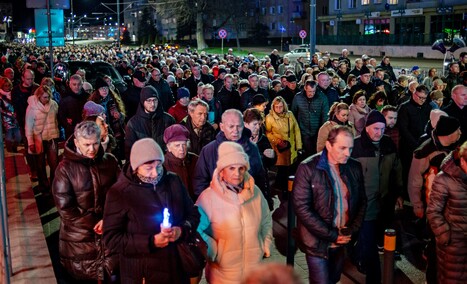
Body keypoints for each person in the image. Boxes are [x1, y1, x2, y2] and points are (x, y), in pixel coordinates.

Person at [103, 138, 200, 283]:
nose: (155, 173)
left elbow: (193, 214)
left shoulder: (173, 181)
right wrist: (151, 241)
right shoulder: (120, 193)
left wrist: (181, 230)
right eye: (149, 168)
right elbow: (112, 238)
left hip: (176, 267)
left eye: (159, 166)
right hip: (142, 273)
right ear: (136, 168)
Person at [292, 125, 367, 284]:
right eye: (342, 148)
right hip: (317, 243)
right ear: (328, 145)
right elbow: (302, 208)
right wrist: (333, 235)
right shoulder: (308, 168)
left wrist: (351, 230)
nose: (348, 153)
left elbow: (361, 202)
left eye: (350, 148)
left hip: (342, 241)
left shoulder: (354, 167)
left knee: (333, 279)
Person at [196, 141, 273, 284]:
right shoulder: (208, 197)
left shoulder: (255, 192)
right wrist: (213, 250)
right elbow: (196, 229)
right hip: (222, 276)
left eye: (241, 168)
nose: (237, 173)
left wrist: (265, 244)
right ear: (222, 170)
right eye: (231, 168)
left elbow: (266, 220)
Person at [52, 121, 120, 282]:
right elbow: (66, 209)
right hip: (79, 240)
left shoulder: (109, 161)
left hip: (109, 233)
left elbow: (121, 193)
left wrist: (109, 219)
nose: (92, 149)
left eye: (96, 143)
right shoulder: (64, 169)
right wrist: (96, 224)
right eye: (87, 144)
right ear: (76, 143)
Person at [351, 110, 403, 283]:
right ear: (366, 128)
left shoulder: (388, 144)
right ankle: (371, 274)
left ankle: (360, 256)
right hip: (364, 203)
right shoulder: (356, 146)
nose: (379, 133)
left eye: (382, 129)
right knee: (368, 239)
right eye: (375, 128)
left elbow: (397, 169)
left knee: (375, 237)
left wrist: (398, 193)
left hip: (385, 201)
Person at [408, 115, 461, 284]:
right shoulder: (425, 151)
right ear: (449, 133)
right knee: (435, 246)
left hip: (453, 207)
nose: (461, 132)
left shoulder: (456, 146)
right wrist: (417, 204)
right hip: (433, 207)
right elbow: (414, 180)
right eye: (457, 130)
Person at [193, 109, 267, 199]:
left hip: (247, 205)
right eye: (231, 126)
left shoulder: (252, 148)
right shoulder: (208, 150)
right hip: (218, 207)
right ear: (222, 127)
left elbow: (260, 178)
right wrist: (209, 205)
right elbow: (200, 182)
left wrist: (261, 201)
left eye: (239, 126)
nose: (235, 130)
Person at [427, 140, 467, 283]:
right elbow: (433, 211)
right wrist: (445, 236)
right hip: (454, 246)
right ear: (462, 160)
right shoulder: (444, 179)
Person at [25, 85, 60, 192]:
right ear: (39, 97)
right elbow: (28, 125)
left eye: (48, 96)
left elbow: (57, 118)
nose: (47, 99)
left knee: (54, 163)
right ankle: (44, 186)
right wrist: (30, 142)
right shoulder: (32, 107)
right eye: (44, 97)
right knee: (40, 165)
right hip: (39, 139)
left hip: (52, 138)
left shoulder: (54, 104)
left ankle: (54, 185)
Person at [124, 85, 175, 158]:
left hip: (165, 163)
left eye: (155, 100)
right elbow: (129, 151)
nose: (152, 104)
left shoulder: (168, 120)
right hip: (144, 164)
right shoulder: (133, 124)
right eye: (149, 100)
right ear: (142, 101)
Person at [265, 96, 302, 191]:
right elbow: (268, 133)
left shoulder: (290, 115)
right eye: (276, 106)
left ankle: (288, 188)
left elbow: (296, 130)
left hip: (291, 146)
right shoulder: (269, 118)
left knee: (290, 168)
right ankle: (281, 189)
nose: (278, 109)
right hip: (280, 148)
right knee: (282, 170)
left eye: (280, 106)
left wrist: (299, 146)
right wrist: (277, 141)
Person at [163, 124, 198, 201]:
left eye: (184, 145)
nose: (181, 149)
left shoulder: (195, 159)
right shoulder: (163, 165)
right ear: (169, 147)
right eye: (177, 145)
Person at [58, 74, 89, 139]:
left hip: (86, 129)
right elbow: (61, 116)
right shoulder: (65, 98)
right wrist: (68, 126)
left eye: (79, 84)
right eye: (74, 84)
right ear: (70, 85)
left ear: (82, 84)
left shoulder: (87, 97)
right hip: (71, 132)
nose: (77, 86)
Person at [0, 77, 21, 152]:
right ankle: (10, 150)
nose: (8, 87)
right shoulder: (1, 97)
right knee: (8, 137)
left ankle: (14, 147)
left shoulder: (13, 93)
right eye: (5, 85)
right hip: (7, 119)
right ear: (2, 86)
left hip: (16, 117)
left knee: (18, 137)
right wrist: (10, 114)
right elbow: (1, 109)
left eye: (9, 85)